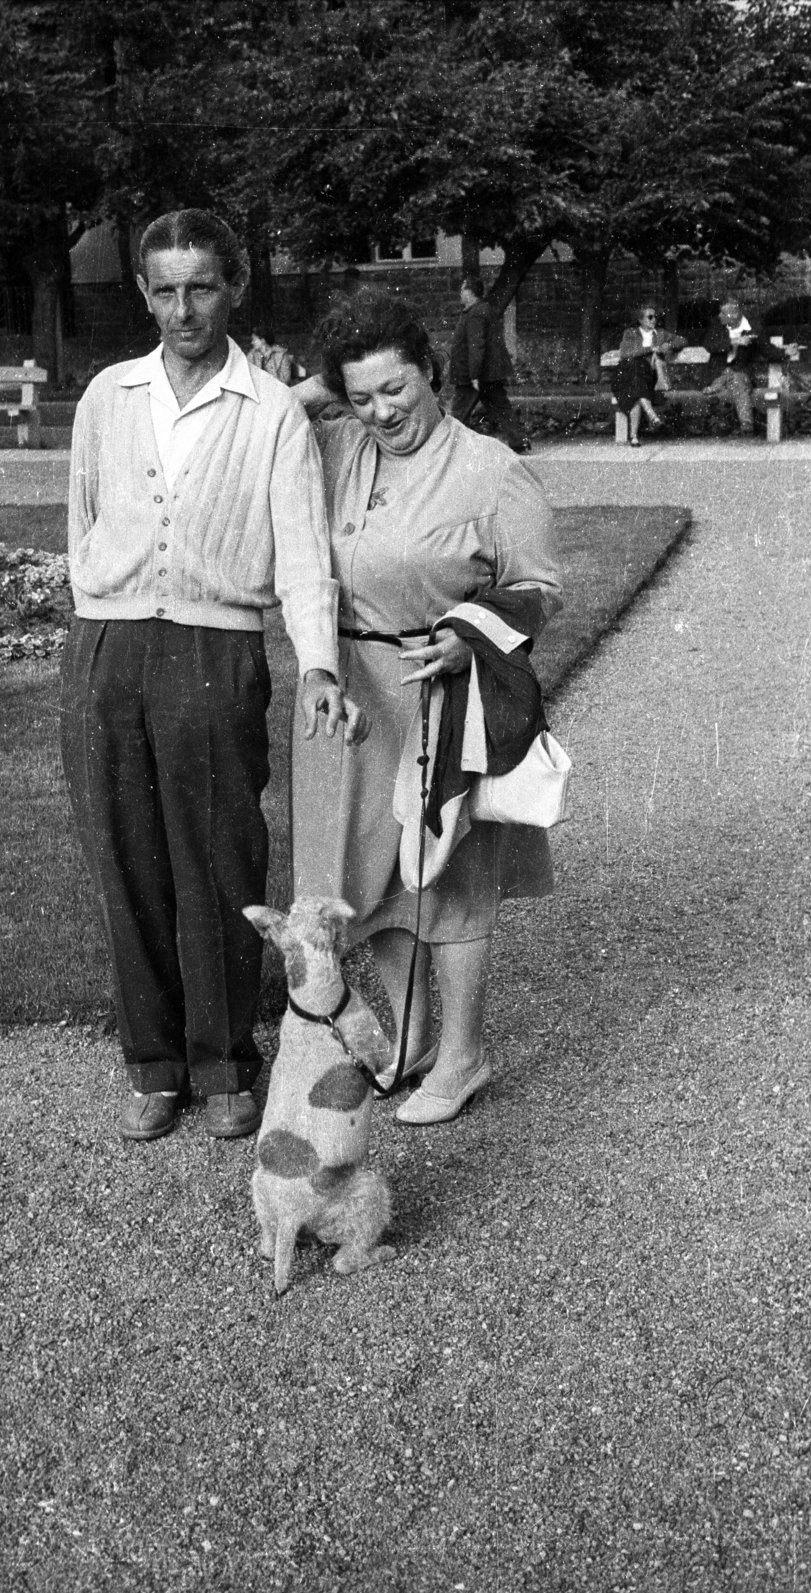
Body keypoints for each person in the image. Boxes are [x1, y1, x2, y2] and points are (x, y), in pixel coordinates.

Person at [60, 209, 368, 1145]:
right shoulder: (107, 394)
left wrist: (316, 662)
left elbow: (304, 554)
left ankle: (225, 1060)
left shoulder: (269, 409)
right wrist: (101, 619)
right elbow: (83, 519)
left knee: (218, 861)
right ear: (144, 294)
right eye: (164, 289)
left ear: (232, 288)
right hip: (107, 650)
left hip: (212, 650)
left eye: (200, 287)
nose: (182, 309)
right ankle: (154, 1066)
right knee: (127, 860)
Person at [292, 288, 562, 1126]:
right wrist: (321, 387)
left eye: (396, 390)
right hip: (349, 693)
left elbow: (538, 589)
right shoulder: (332, 446)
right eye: (360, 396)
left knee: (446, 884)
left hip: (442, 696)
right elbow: (262, 414)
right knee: (367, 876)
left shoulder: (490, 468)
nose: (380, 412)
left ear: (431, 373)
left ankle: (463, 1055)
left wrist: (467, 637)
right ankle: (407, 1035)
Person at [447, 275, 530, 453]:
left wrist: (474, 375)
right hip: (489, 373)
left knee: (459, 413)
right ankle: (519, 441)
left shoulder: (476, 313)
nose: (460, 293)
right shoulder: (484, 310)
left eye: (462, 289)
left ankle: (449, 448)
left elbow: (477, 345)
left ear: (470, 292)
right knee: (501, 407)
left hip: (473, 375)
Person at [611, 303, 685, 447]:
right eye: (650, 317)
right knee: (636, 380)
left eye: (655, 316)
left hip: (647, 377)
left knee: (637, 389)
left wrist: (668, 346)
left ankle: (634, 437)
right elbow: (626, 353)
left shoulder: (661, 334)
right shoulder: (630, 333)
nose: (654, 320)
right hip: (626, 375)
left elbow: (682, 340)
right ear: (640, 320)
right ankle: (651, 417)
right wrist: (650, 348)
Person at [703, 299, 763, 435]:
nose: (719, 316)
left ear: (735, 314)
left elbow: (766, 348)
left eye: (723, 313)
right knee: (733, 380)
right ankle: (746, 423)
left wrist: (785, 352)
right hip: (719, 372)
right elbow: (708, 345)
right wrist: (733, 341)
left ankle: (746, 424)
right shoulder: (717, 326)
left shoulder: (752, 328)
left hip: (740, 374)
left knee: (737, 380)